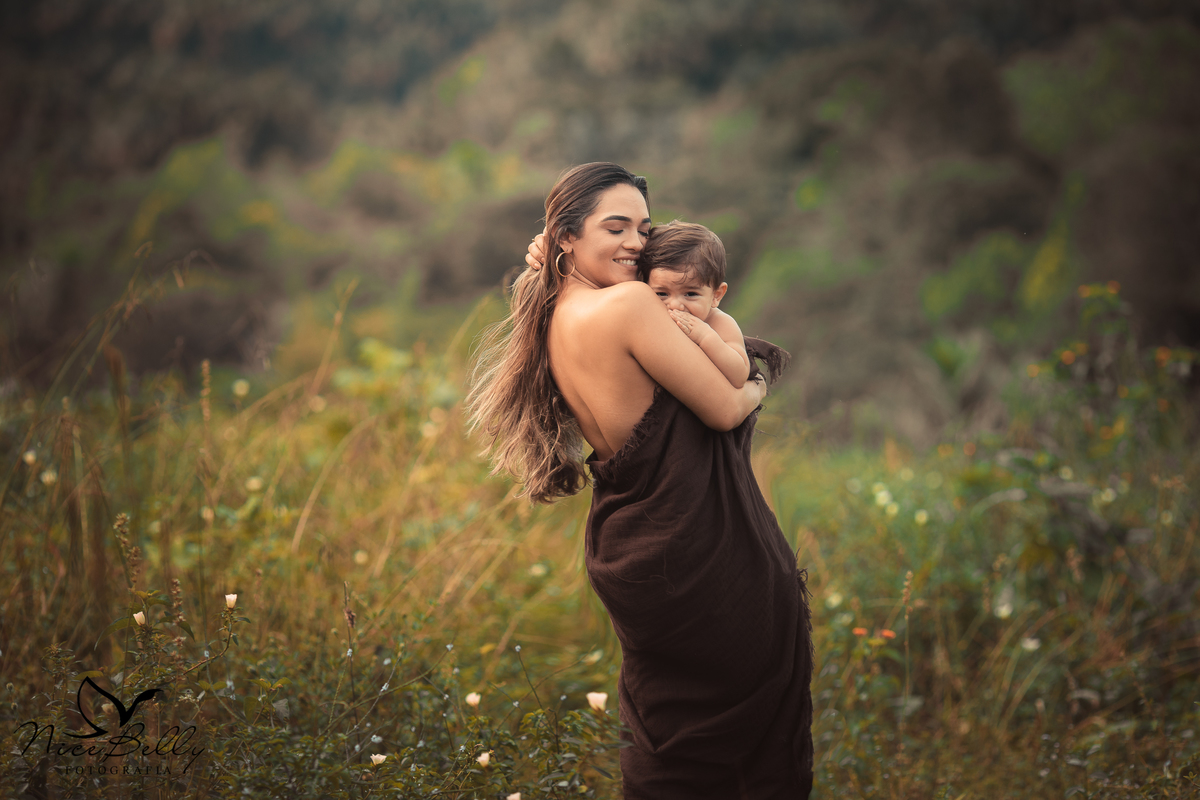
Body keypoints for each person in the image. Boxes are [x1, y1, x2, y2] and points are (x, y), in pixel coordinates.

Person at [468, 162, 813, 799]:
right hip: (703, 551)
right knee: (740, 743)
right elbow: (723, 406)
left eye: (644, 228)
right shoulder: (627, 305)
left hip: (634, 545)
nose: (638, 243)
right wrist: (760, 380)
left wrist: (554, 252)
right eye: (617, 227)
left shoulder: (550, 311)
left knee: (675, 736)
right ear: (567, 235)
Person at [640, 220, 750, 388]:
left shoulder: (719, 324)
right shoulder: (644, 318)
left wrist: (706, 337)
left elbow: (740, 375)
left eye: (690, 294)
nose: (675, 305)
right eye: (662, 294)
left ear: (716, 295)